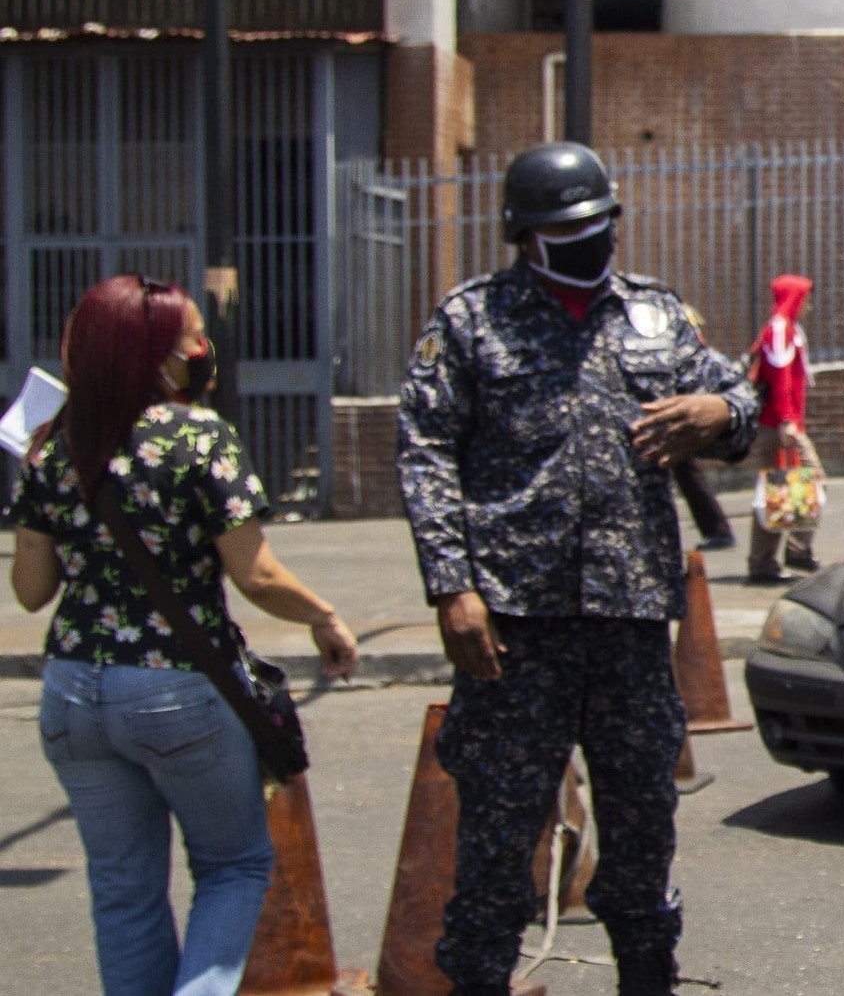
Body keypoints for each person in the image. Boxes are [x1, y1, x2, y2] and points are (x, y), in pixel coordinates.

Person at [397, 141, 759, 996]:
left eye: (601, 223)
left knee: (641, 841)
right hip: (515, 631)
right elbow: (424, 455)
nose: (591, 240)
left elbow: (741, 402)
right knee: (494, 856)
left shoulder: (656, 317)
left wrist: (717, 409)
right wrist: (452, 586)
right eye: (568, 228)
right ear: (526, 235)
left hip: (630, 625)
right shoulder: (471, 321)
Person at [10, 274, 358, 996]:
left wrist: (44, 498)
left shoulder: (54, 443)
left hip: (73, 690)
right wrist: (325, 616)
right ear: (152, 357)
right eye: (191, 338)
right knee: (233, 866)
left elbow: (32, 591)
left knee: (122, 889)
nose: (205, 348)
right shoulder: (199, 435)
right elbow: (255, 575)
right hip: (176, 690)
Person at [746, 272, 823, 582]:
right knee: (808, 480)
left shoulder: (788, 330)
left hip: (783, 422)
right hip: (780, 425)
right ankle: (791, 550)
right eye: (806, 299)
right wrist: (786, 420)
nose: (809, 306)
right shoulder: (779, 330)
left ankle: (768, 559)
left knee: (778, 490)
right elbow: (779, 378)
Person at [676, 303, 739, 554]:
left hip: (679, 405)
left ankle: (718, 529)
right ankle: (717, 528)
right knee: (685, 471)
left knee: (685, 470)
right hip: (681, 403)